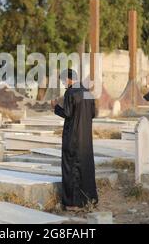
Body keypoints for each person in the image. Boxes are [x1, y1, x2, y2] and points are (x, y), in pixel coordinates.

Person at [52, 69, 98, 211]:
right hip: (86, 140)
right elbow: (93, 114)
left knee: (71, 169)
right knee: (86, 168)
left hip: (72, 138)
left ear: (69, 79)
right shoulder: (88, 93)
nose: (63, 84)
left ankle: (73, 203)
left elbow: (67, 113)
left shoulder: (71, 92)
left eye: (63, 81)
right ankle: (89, 199)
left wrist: (55, 108)